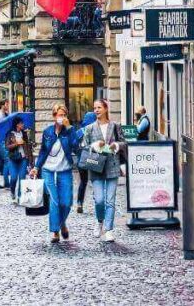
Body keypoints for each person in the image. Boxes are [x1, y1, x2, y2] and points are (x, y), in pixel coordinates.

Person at [32, 103, 79, 244]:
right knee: (54, 201)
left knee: (66, 202)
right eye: (60, 115)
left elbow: (76, 147)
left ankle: (62, 223)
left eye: (64, 115)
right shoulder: (47, 132)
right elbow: (43, 152)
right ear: (54, 116)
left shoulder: (70, 131)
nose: (62, 118)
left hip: (65, 169)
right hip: (48, 170)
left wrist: (70, 128)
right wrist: (36, 167)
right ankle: (55, 231)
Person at [84, 99, 126, 243]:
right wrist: (95, 145)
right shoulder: (90, 128)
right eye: (95, 108)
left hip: (112, 165)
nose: (96, 110)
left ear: (106, 108)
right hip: (96, 166)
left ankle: (109, 229)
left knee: (110, 200)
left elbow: (123, 142)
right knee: (100, 200)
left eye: (99, 107)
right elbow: (84, 146)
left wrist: (116, 145)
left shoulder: (115, 126)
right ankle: (99, 221)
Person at [4, 116, 33, 198]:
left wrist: (30, 160)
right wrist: (17, 144)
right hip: (13, 158)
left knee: (22, 178)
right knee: (13, 177)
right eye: (21, 123)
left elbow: (28, 147)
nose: (23, 124)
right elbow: (7, 146)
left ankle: (20, 196)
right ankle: (12, 191)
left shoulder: (24, 133)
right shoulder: (10, 134)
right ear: (17, 125)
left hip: (23, 158)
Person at [73, 111, 96, 213]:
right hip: (94, 160)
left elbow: (73, 145)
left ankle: (79, 203)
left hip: (81, 160)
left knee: (83, 182)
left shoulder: (79, 131)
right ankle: (98, 203)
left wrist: (79, 153)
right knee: (96, 181)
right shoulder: (96, 130)